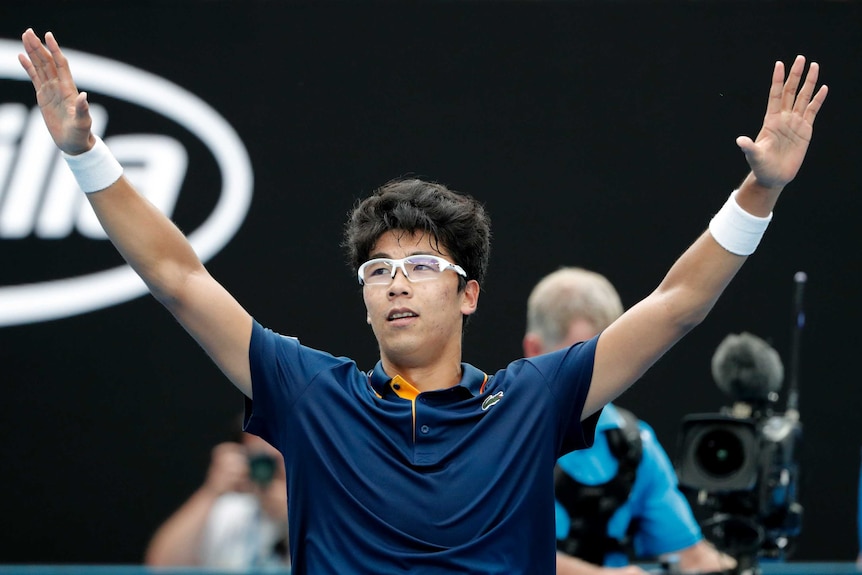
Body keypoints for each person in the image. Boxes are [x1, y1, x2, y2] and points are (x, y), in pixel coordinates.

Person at [18, 28, 827, 574]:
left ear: (471, 293)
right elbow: (178, 278)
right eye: (377, 271)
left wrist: (759, 190)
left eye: (421, 265)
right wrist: (86, 155)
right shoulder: (308, 394)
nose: (396, 281)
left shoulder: (533, 399)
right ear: (365, 299)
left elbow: (678, 301)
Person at [523, 267, 736, 575]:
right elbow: (492, 553)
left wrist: (738, 565)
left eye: (608, 359)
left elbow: (691, 557)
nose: (597, 377)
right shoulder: (497, 432)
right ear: (534, 350)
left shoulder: (634, 445)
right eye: (578, 360)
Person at [144, 423, 289, 569]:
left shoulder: (308, 511)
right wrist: (211, 491)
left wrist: (294, 515)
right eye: (260, 450)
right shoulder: (231, 509)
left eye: (279, 448)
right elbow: (162, 566)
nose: (270, 455)